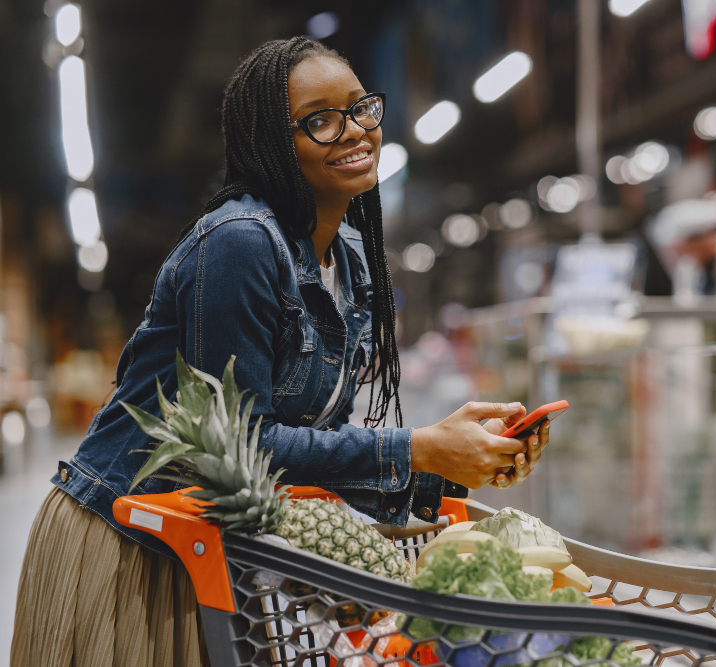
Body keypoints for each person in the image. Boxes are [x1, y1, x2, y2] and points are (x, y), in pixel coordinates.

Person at [11, 38, 548, 667]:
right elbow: (243, 443)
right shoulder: (239, 244)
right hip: (134, 537)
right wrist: (418, 448)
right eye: (320, 120)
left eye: (361, 109)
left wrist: (454, 460)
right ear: (270, 142)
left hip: (217, 549)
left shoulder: (350, 259)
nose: (354, 131)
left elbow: (312, 442)